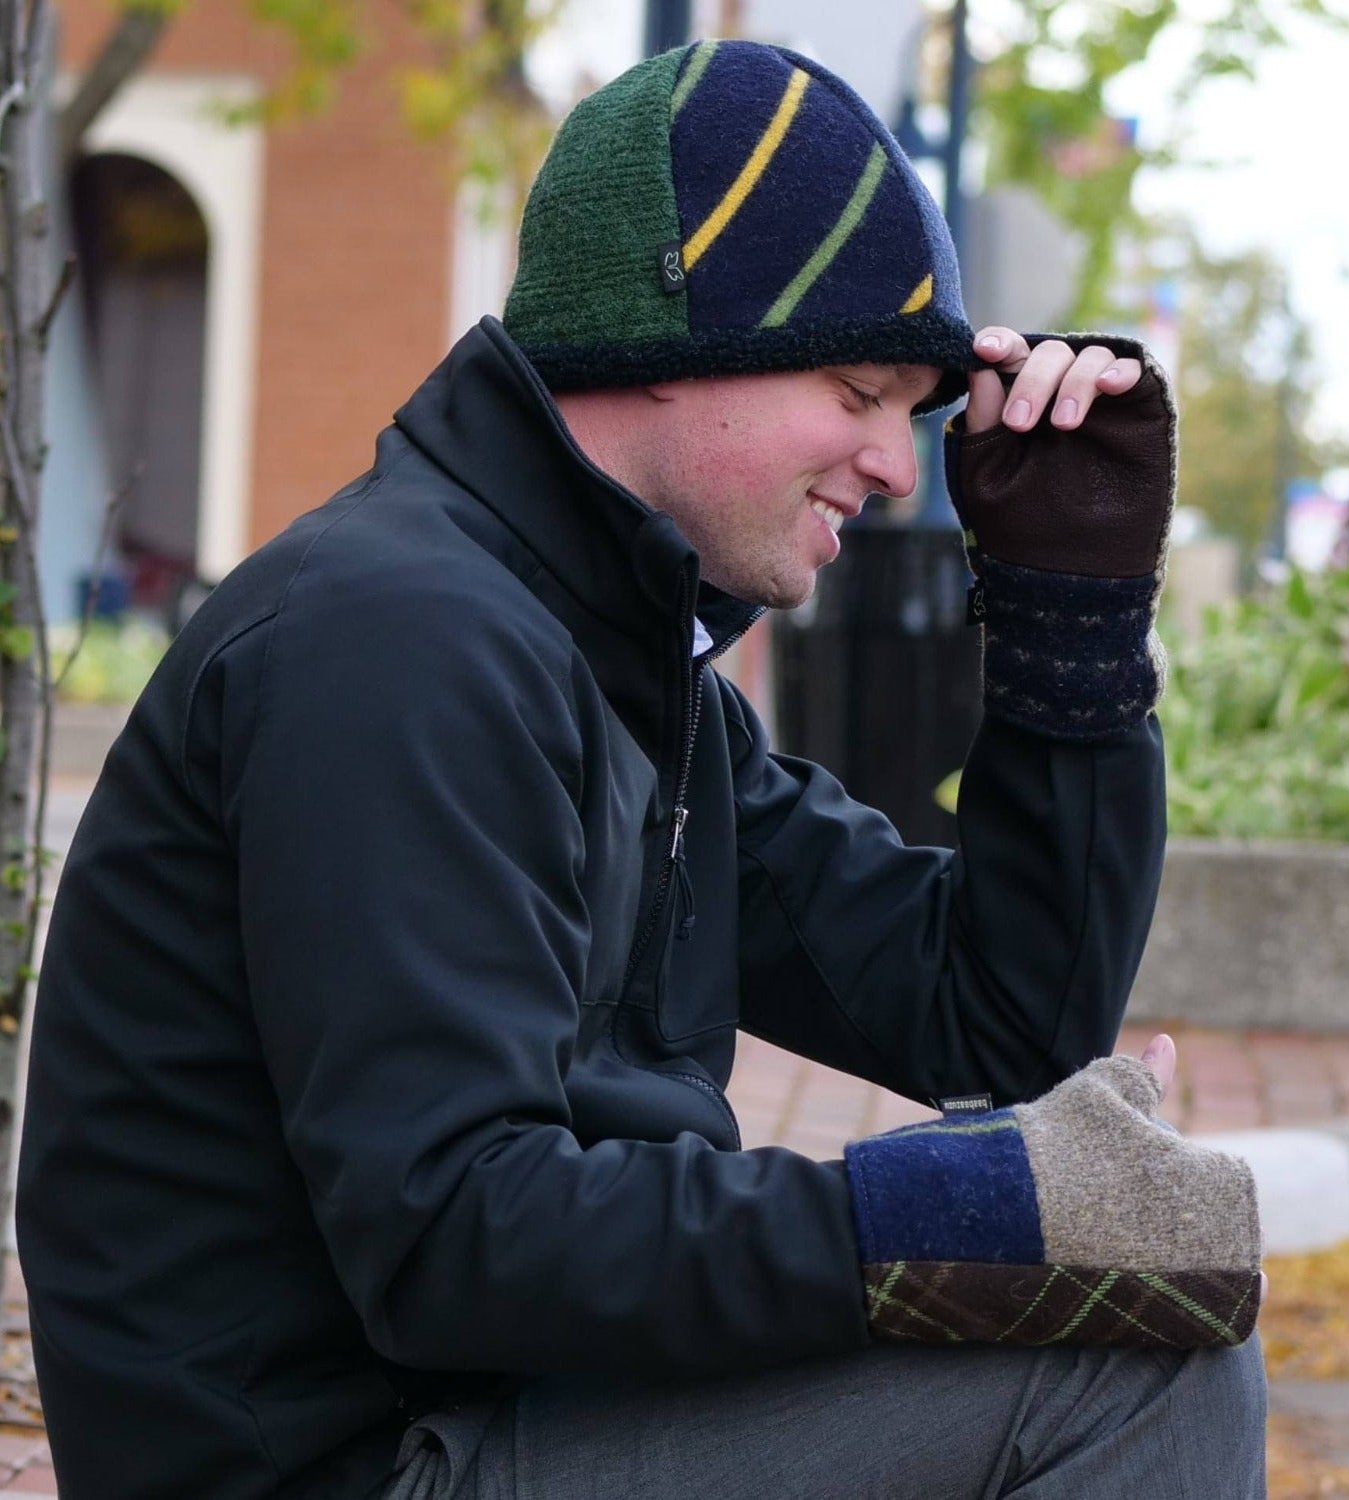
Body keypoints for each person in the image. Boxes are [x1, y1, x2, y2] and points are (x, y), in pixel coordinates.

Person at [17, 37, 1267, 1500]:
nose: (897, 466)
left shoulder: (626, 675)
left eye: (915, 413)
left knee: (1138, 1317)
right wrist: (952, 1211)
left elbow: (998, 1021)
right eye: (859, 389)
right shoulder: (397, 641)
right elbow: (456, 1237)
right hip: (354, 1463)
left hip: (505, 1413)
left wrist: (1070, 620)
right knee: (1131, 1363)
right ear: (673, 342)